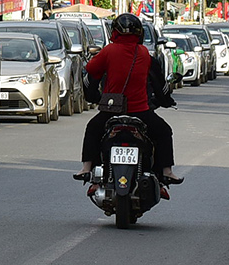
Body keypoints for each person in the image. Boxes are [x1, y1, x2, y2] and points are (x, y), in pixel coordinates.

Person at [76, 13, 180, 184]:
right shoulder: (145, 53)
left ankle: (86, 169)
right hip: (141, 112)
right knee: (163, 131)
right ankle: (167, 171)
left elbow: (90, 73)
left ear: (114, 32)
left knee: (93, 129)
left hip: (110, 111)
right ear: (139, 33)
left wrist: (94, 97)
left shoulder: (108, 51)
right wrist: (165, 100)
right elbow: (159, 84)